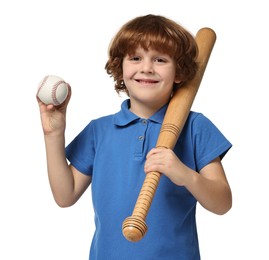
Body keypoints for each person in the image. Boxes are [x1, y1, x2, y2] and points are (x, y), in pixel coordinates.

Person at [37, 14, 232, 260]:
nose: (146, 67)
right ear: (120, 68)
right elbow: (65, 196)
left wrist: (185, 175)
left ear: (179, 72)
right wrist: (53, 134)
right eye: (136, 58)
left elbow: (222, 202)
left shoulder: (195, 126)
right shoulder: (100, 130)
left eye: (160, 59)